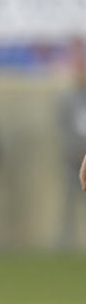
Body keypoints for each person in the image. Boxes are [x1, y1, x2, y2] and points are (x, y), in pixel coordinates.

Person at [56, 58, 86, 248]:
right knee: (70, 197)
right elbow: (64, 126)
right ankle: (65, 241)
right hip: (74, 154)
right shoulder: (69, 99)